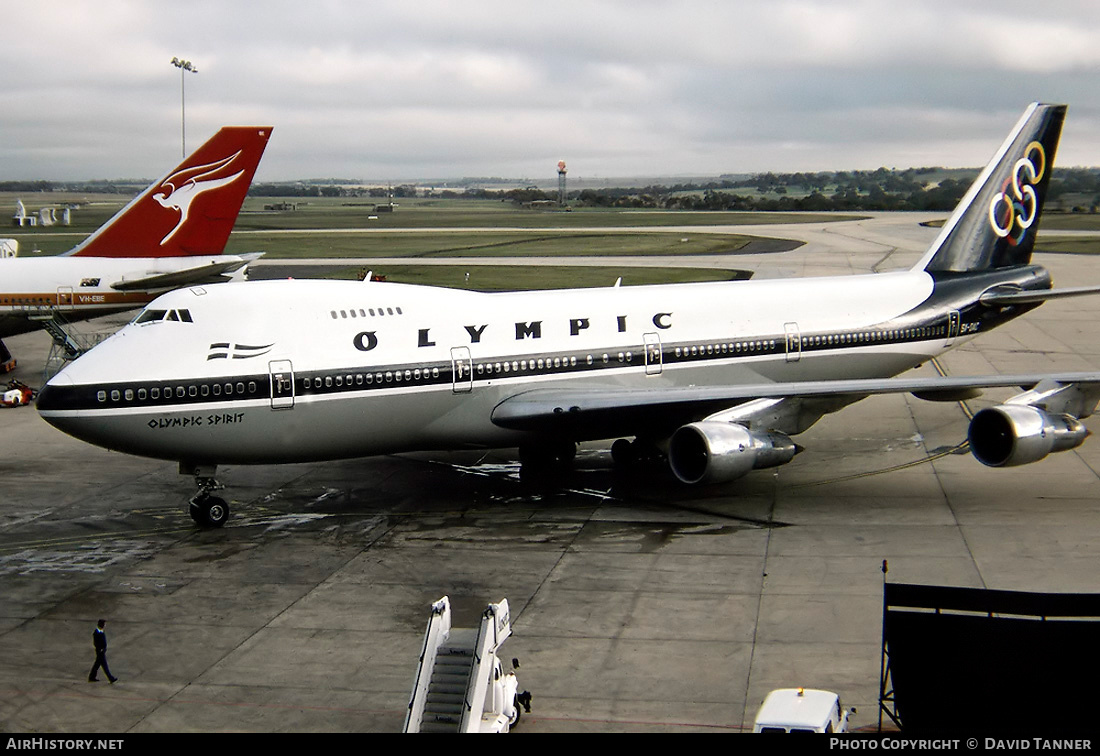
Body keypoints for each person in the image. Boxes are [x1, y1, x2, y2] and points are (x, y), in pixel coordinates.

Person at [88, 619, 118, 683]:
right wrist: (100, 649)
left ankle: (91, 677)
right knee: (104, 666)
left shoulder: (101, 631)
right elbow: (96, 643)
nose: (105, 625)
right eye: (104, 624)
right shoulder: (97, 632)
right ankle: (110, 678)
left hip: (102, 651)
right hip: (100, 652)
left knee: (97, 664)